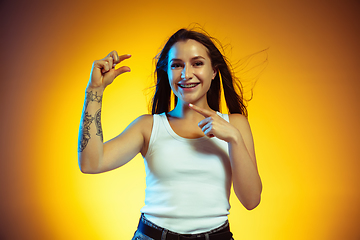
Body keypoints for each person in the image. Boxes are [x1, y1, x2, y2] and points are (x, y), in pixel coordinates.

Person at [78, 28, 262, 240]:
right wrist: (94, 90)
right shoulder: (148, 127)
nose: (186, 74)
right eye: (177, 65)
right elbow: (91, 164)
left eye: (197, 63)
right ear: (167, 72)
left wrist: (234, 139)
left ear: (213, 71)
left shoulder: (235, 125)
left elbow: (251, 201)